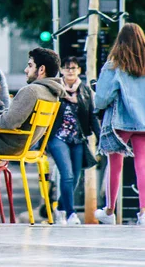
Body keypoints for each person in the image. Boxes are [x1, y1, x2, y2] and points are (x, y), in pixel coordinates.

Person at [94, 23, 145, 226]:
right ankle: (143, 213)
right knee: (143, 165)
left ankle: (110, 211)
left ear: (120, 42)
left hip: (121, 121)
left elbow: (101, 98)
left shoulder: (114, 65)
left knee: (115, 165)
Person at [49, 56, 100, 225]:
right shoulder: (55, 89)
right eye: (67, 68)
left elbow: (92, 116)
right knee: (67, 175)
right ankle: (71, 214)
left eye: (74, 68)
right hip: (58, 137)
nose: (70, 71)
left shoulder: (85, 91)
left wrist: (101, 138)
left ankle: (61, 208)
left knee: (76, 178)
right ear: (61, 70)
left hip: (78, 139)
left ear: (79, 71)